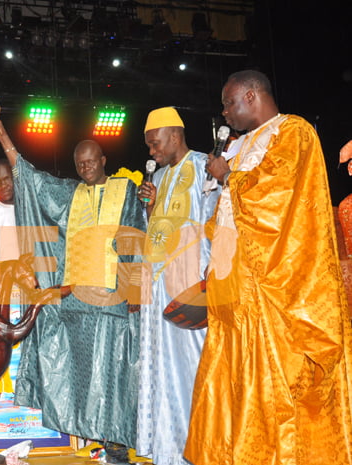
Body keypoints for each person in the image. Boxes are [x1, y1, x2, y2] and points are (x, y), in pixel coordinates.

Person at [185, 70, 352, 465]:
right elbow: (226, 213)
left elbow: (279, 194)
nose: (224, 113)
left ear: (251, 94)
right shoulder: (240, 147)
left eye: (229, 103)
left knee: (276, 372)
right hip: (232, 276)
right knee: (231, 372)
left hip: (273, 281)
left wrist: (231, 178)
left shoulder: (293, 131)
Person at [0, 99, 146, 461]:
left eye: (91, 161)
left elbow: (136, 236)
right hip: (75, 302)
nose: (86, 167)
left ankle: (118, 445)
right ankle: (97, 438)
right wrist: (4, 132)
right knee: (83, 374)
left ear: (104, 160)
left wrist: (136, 286)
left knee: (114, 373)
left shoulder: (125, 191)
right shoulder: (70, 195)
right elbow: (29, 177)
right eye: (80, 163)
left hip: (113, 300)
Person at [134, 107, 219, 464]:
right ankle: (171, 451)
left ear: (174, 135)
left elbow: (221, 221)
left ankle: (205, 448)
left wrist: (213, 280)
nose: (151, 153)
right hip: (160, 292)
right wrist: (151, 209)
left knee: (197, 371)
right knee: (164, 373)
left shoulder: (206, 166)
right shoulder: (163, 176)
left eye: (154, 144)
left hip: (193, 291)